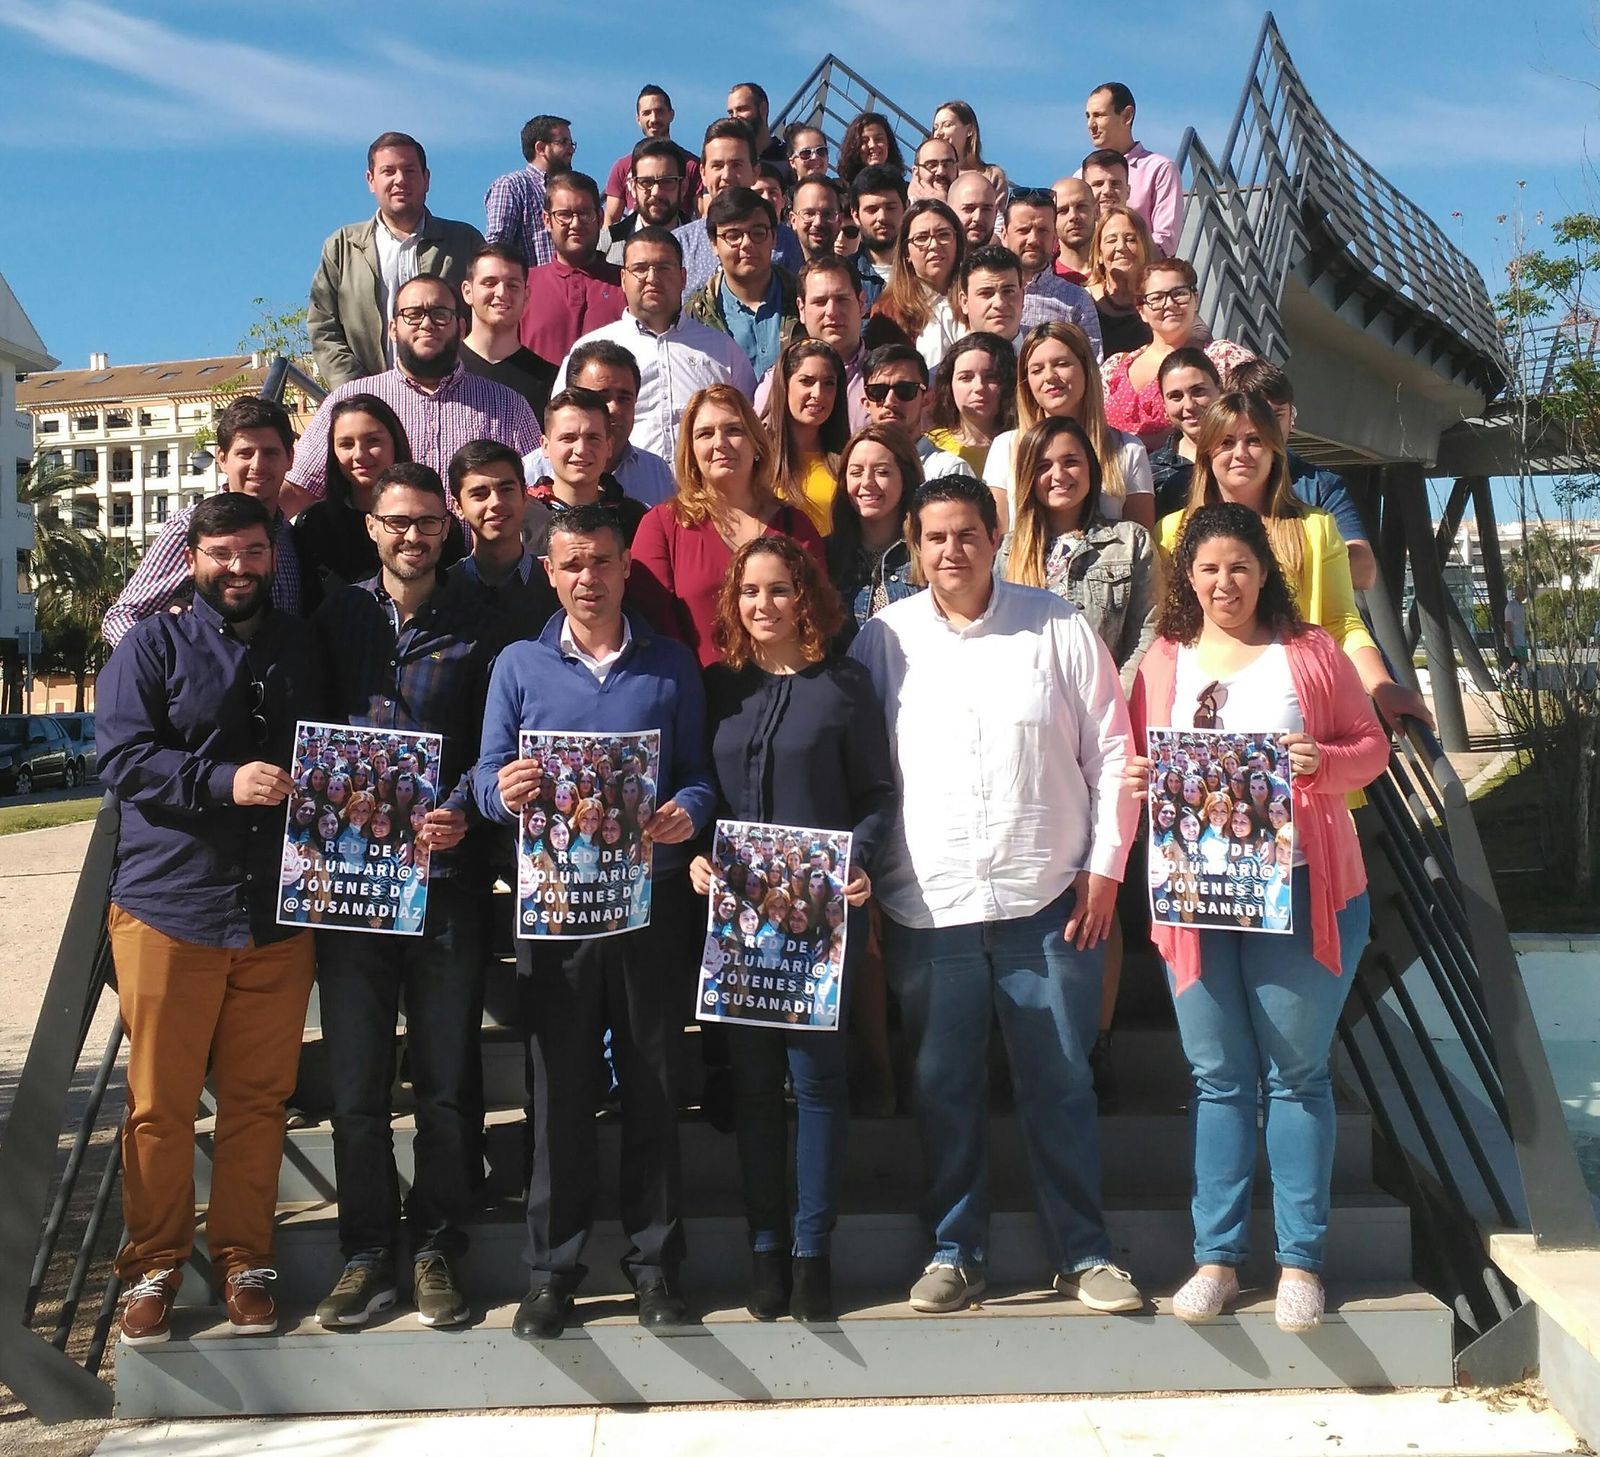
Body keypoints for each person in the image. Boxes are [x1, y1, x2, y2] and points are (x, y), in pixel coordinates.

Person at [848, 475, 1141, 1317]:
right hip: (927, 903)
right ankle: (955, 1249)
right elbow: (866, 767)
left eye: (967, 534)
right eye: (935, 537)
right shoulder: (884, 637)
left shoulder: (1057, 625)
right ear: (914, 541)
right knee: (941, 1084)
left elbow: (1114, 752)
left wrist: (1105, 864)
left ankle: (1084, 1252)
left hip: (1045, 896)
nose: (951, 552)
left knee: (1060, 1080)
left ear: (994, 531)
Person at [1126, 502, 1389, 1332]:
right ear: (1187, 577)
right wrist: (1135, 780)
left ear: (1262, 572)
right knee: (1218, 1080)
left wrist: (1326, 759)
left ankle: (1301, 1260)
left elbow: (1370, 747)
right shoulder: (1162, 661)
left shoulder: (1308, 652)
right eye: (1207, 568)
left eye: (1239, 566)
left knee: (1297, 1076)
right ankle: (1218, 1255)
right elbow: (1133, 759)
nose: (1223, 581)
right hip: (1198, 905)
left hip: (1303, 894)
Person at [472, 504, 716, 1339]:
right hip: (554, 912)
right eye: (572, 564)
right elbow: (482, 771)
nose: (588, 578)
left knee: (654, 1089)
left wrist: (686, 809)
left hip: (648, 908)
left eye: (602, 562)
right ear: (550, 570)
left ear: (623, 567)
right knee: (560, 1094)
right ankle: (552, 1272)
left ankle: (655, 1268)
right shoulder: (518, 663)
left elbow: (698, 777)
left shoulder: (671, 664)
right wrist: (497, 791)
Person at [100, 492, 326, 1346]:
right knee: (159, 1104)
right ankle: (152, 1264)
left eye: (255, 551)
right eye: (223, 552)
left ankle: (243, 1259)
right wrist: (222, 781)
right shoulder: (150, 643)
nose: (240, 567)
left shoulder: (302, 642)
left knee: (257, 1100)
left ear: (275, 556)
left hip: (276, 907)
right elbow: (120, 754)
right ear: (192, 556)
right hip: (171, 904)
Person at [307, 462, 508, 1332]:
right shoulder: (336, 617)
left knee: (447, 1079)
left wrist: (462, 810)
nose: (413, 535)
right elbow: (306, 730)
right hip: (350, 888)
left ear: (448, 530)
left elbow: (493, 747)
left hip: (446, 885)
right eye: (398, 521)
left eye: (429, 522)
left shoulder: (484, 627)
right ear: (371, 526)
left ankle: (436, 1244)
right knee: (355, 1087)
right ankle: (363, 1249)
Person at [692, 537, 895, 1321]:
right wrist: (704, 858)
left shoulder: (844, 686)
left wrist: (863, 861)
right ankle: (765, 1248)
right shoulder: (722, 688)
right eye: (749, 591)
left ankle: (814, 1250)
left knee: (816, 1087)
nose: (762, 605)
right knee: (750, 1089)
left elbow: (877, 794)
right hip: (737, 923)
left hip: (820, 924)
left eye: (779, 590)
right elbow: (702, 787)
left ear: (805, 597)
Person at [1159, 392, 1432, 726]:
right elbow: (1168, 630)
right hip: (1207, 713)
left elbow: (1341, 623)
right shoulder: (1170, 534)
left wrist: (1382, 685)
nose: (1240, 453)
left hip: (1298, 714)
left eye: (1254, 440)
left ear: (1275, 451)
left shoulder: (1316, 530)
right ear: (1206, 454)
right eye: (1226, 442)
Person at [286, 274, 542, 522]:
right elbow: (298, 489)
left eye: (440, 314)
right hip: (376, 562)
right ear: (393, 328)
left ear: (462, 327)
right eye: (413, 314)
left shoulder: (508, 405)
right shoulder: (352, 400)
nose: (427, 323)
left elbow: (538, 493)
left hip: (479, 563)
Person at [630, 384, 825, 667]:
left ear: (756, 444)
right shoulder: (662, 526)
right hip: (697, 697)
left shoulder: (795, 526)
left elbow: (815, 619)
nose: (720, 442)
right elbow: (652, 627)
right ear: (692, 451)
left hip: (785, 694)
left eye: (734, 430)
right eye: (705, 434)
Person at [104, 397, 303, 646]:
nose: (258, 465)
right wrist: (165, 664)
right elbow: (121, 616)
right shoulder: (189, 526)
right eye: (245, 453)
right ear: (222, 459)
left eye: (270, 453)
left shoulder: (290, 535)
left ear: (290, 458)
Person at [557, 229, 757, 471]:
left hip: (705, 498)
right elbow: (562, 427)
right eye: (640, 268)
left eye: (663, 268)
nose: (652, 278)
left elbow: (749, 431)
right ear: (622, 278)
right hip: (618, 497)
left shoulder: (722, 350)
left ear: (683, 277)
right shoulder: (590, 354)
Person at [310, 132, 485, 388]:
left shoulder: (464, 241)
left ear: (426, 179)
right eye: (388, 171)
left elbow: (483, 320)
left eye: (409, 171)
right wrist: (359, 391)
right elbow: (323, 326)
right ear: (371, 180)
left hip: (452, 395)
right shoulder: (342, 247)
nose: (400, 180)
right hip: (368, 405)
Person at [997, 416, 1156, 690]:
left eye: (1070, 461)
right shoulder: (1006, 551)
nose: (1058, 475)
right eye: (1043, 466)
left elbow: (1147, 632)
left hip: (1107, 706)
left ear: (1091, 470)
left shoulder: (1130, 541)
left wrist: (1117, 700)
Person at [293, 394, 460, 615]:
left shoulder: (434, 525)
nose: (359, 455)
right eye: (346, 444)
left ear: (395, 442)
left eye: (373, 441)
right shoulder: (314, 524)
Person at [982, 320, 1155, 532]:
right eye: (1036, 370)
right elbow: (997, 540)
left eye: (1062, 364)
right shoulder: (1006, 447)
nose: (1049, 377)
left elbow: (1141, 543)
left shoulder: (1127, 449)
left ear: (1086, 368)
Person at [1226, 358, 1377, 590]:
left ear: (1291, 417)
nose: (1270, 428)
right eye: (1259, 416)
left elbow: (1363, 571)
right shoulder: (1201, 482)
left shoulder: (1321, 486)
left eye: (1277, 415)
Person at [1103, 259, 1254, 448]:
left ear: (1195, 299)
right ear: (1141, 309)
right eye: (1157, 298)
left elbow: (1269, 415)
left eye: (1179, 294)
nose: (1170, 304)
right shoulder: (1115, 366)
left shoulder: (1223, 358)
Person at [675, 120, 803, 296]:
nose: (727, 176)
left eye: (736, 165)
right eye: (717, 166)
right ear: (703, 174)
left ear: (755, 172)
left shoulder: (785, 242)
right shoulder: (680, 244)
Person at [684, 189, 802, 380]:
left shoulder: (805, 298)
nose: (747, 243)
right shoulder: (694, 316)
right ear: (714, 243)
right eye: (733, 235)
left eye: (758, 233)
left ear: (774, 238)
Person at [446, 438, 560, 628]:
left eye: (506, 489)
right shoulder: (443, 592)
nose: (496, 502)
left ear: (524, 496)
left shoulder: (555, 585)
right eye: (479, 494)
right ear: (458, 506)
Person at [826, 421, 926, 636]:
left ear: (905, 478)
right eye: (856, 472)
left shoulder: (928, 553)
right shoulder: (826, 557)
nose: (867, 482)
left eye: (882, 472)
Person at [519, 171, 625, 365]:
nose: (575, 224)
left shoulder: (627, 283)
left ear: (600, 218)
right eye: (564, 215)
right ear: (547, 220)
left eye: (584, 214)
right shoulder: (522, 286)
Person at [526, 388, 649, 546]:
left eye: (593, 438)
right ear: (545, 446)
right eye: (568, 438)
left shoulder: (634, 519)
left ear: (609, 446)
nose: (581, 449)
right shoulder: (519, 517)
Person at [999, 189, 1104, 357]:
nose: (1033, 239)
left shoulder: (1077, 300)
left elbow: (1093, 367)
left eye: (1042, 230)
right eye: (1023, 230)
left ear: (1055, 238)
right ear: (1004, 235)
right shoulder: (985, 295)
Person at [1083, 83, 1184, 256]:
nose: (1091, 124)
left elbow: (1165, 242)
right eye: (1088, 116)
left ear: (1127, 116)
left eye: (1099, 115)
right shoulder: (1080, 176)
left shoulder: (1159, 169)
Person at [865, 198, 964, 374]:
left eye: (944, 235)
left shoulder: (977, 299)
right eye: (922, 238)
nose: (934, 245)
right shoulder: (888, 311)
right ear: (906, 252)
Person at [460, 243, 558, 416]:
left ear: (526, 296)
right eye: (489, 283)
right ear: (468, 292)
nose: (502, 293)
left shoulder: (550, 379)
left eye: (512, 285)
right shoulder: (443, 368)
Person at [763, 338, 850, 533]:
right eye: (806, 381)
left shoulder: (848, 458)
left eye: (829, 383)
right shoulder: (756, 455)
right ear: (785, 385)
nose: (818, 393)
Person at [859, 343, 974, 479]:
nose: (890, 401)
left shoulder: (948, 470)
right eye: (878, 391)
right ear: (866, 403)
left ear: (927, 398)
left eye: (905, 390)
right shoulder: (853, 469)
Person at [484, 115, 576, 269]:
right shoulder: (512, 186)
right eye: (563, 142)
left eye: (571, 143)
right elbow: (497, 248)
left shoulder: (572, 189)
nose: (571, 149)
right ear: (540, 148)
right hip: (530, 289)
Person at [603, 87, 700, 230]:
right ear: (638, 119)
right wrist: (605, 251)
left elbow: (704, 215)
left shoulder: (692, 165)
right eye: (647, 113)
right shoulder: (622, 167)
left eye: (659, 111)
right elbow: (611, 219)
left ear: (671, 115)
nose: (653, 119)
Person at [925, 331, 1015, 474]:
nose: (979, 387)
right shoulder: (930, 447)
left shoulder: (1022, 443)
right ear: (949, 385)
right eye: (966, 377)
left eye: (991, 377)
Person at [604, 137, 693, 266]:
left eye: (667, 181)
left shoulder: (706, 247)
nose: (656, 192)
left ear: (683, 187)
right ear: (633, 187)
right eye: (646, 182)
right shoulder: (605, 249)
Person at [1086, 206, 1156, 359]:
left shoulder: (1160, 298)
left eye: (1130, 239)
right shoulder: (1083, 300)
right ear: (1099, 254)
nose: (1121, 247)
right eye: (1111, 240)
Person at [848, 166, 908, 308]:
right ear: (855, 215)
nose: (882, 217)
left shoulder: (924, 273)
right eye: (872, 210)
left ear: (906, 208)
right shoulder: (845, 277)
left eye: (891, 207)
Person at [932, 100, 1008, 197]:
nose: (938, 133)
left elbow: (998, 211)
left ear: (969, 130)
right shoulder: (929, 174)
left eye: (947, 125)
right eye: (936, 128)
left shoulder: (991, 175)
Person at [727, 82, 792, 181]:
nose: (735, 117)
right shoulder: (728, 162)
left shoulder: (788, 159)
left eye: (742, 109)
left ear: (763, 109)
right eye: (731, 113)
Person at [838, 112, 907, 188]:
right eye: (864, 141)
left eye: (878, 139)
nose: (872, 145)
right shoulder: (840, 191)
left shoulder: (905, 191)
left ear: (889, 143)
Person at [1052, 176, 1097, 285]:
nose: (1073, 216)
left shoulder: (1115, 273)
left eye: (1081, 207)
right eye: (1063, 210)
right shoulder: (1042, 278)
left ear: (1096, 211)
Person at [790, 177, 844, 263]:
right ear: (793, 220)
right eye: (809, 213)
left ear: (840, 221)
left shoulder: (853, 275)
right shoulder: (778, 275)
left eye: (827, 214)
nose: (818, 222)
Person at [947, 171, 1000, 253]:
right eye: (969, 209)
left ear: (996, 214)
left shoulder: (1009, 264)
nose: (978, 217)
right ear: (949, 212)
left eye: (986, 209)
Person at [1081, 148, 1133, 224]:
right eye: (1098, 184)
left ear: (1128, 191)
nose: (1107, 190)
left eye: (1115, 184)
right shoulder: (1068, 235)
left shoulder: (1143, 235)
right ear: (1084, 193)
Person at [909, 136, 961, 201]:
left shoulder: (973, 204)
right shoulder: (898, 207)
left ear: (957, 168)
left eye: (947, 165)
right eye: (932, 165)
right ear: (915, 172)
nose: (941, 171)